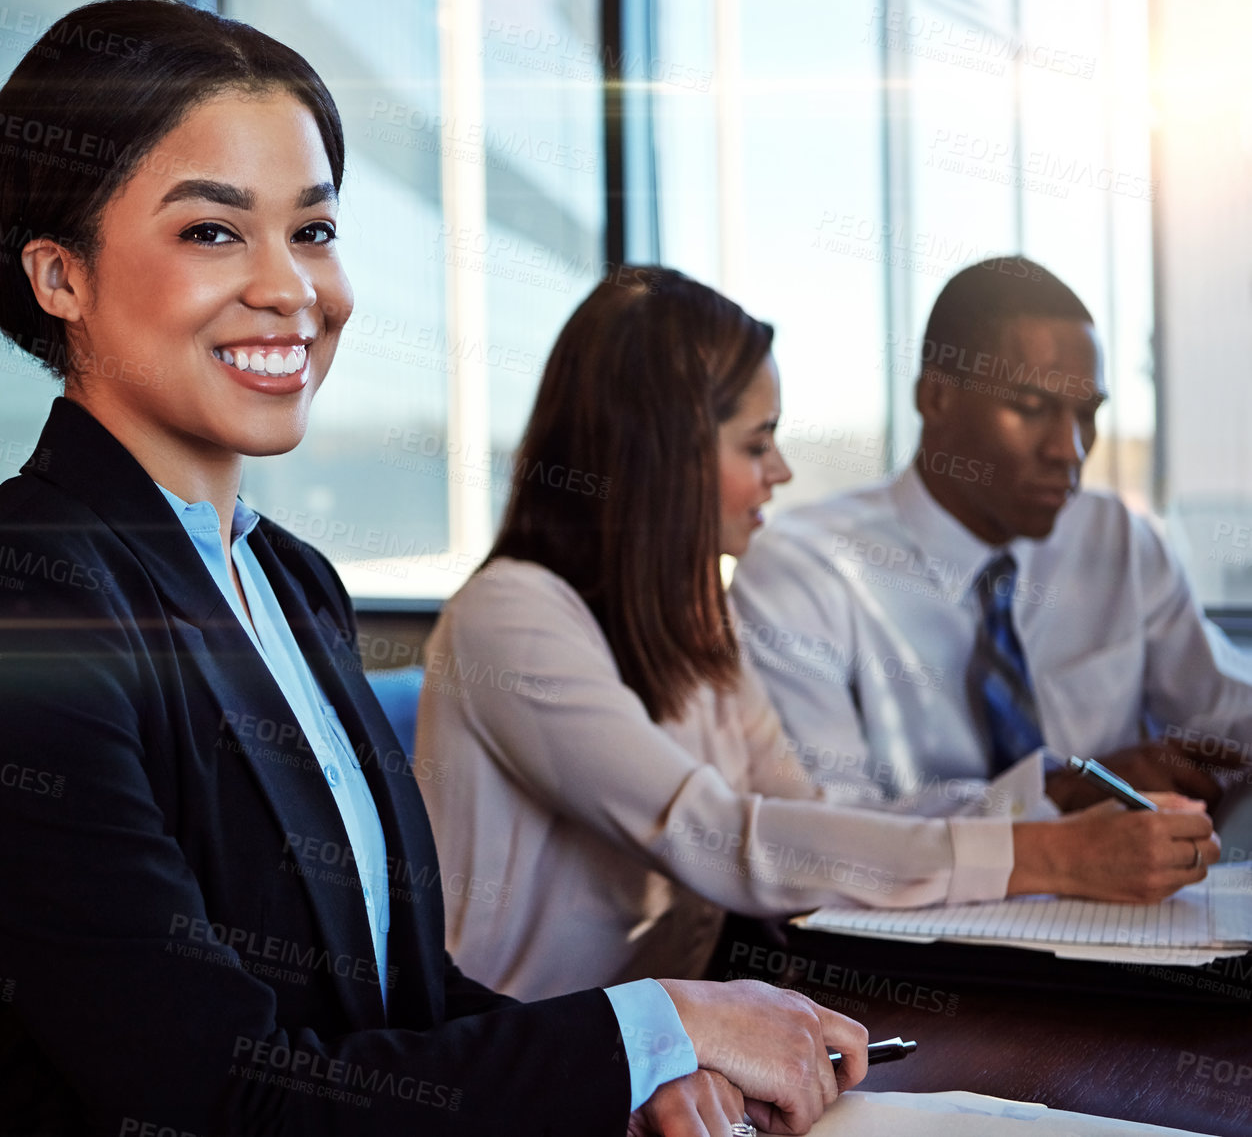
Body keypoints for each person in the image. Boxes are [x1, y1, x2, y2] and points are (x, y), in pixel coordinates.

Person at [0, 0, 866, 1137]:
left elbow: (399, 1005)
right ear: (60, 276)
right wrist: (655, 1023)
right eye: (212, 231)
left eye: (311, 230)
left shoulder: (292, 583)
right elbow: (215, 1094)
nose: (291, 287)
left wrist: (636, 1074)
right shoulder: (5, 604)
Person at [415, 267, 1219, 999]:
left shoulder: (693, 625)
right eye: (757, 443)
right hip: (515, 1059)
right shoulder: (512, 621)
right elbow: (720, 837)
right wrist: (1054, 857)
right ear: (664, 454)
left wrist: (1044, 798)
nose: (783, 472)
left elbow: (811, 822)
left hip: (658, 1046)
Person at [731, 256, 1252, 815]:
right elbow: (827, 829)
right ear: (936, 399)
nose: (1069, 451)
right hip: (915, 905)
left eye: (1087, 415)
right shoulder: (804, 569)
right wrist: (1062, 794)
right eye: (1032, 408)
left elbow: (1225, 714)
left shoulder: (1117, 540)